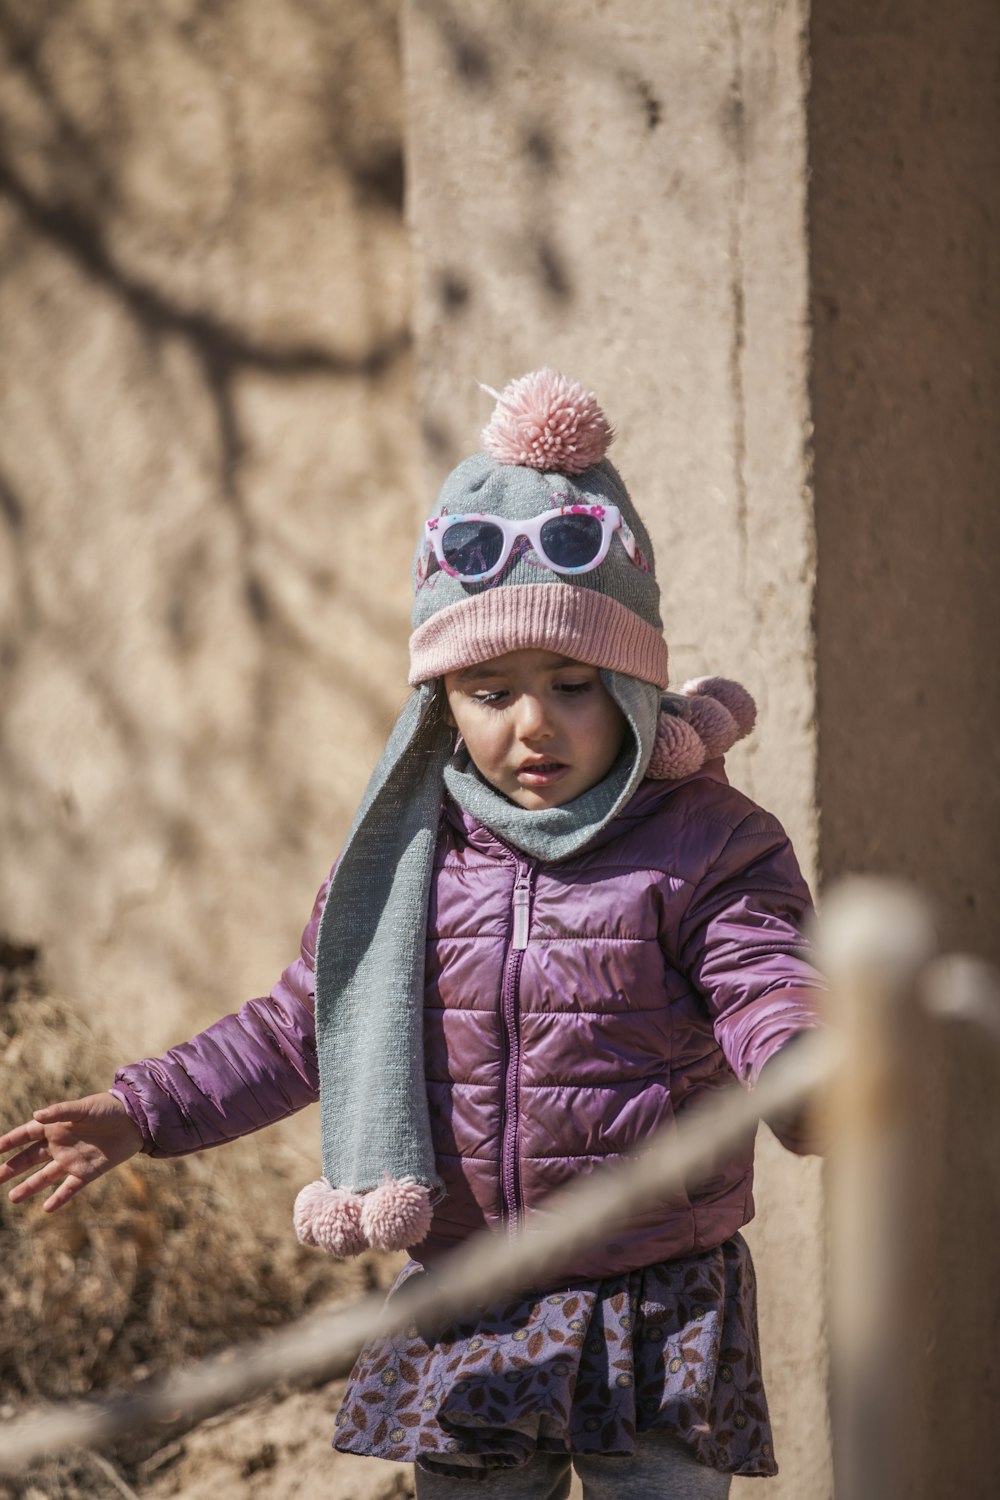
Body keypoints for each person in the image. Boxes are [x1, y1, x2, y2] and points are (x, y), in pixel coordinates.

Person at [0, 370, 825, 1498]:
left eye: (573, 682)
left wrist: (802, 1067)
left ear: (633, 679)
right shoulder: (406, 859)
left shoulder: (707, 845)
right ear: (441, 703)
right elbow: (304, 1026)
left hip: (653, 1297)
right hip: (468, 1293)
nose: (532, 722)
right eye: (488, 691)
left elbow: (765, 975)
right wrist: (142, 1109)